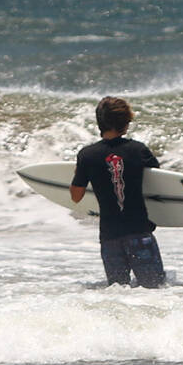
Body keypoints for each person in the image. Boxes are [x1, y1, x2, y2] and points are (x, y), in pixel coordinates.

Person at [70, 96, 166, 287]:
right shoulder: (138, 150)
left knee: (118, 292)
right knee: (154, 290)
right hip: (139, 232)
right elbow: (159, 182)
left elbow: (76, 197)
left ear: (100, 122)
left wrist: (81, 171)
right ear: (125, 123)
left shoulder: (87, 155)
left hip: (110, 237)